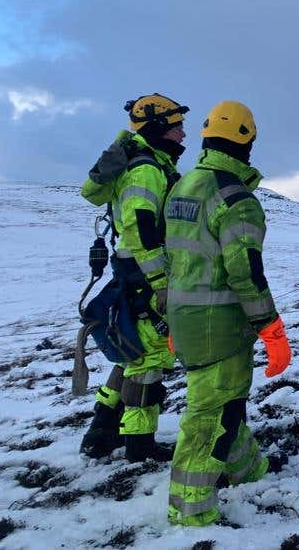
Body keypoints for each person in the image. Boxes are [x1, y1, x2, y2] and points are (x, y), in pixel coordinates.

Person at [164, 100, 291, 526]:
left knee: (225, 404)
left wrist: (169, 318)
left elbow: (171, 262)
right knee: (211, 416)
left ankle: (248, 471)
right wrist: (271, 330)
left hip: (184, 320)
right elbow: (246, 276)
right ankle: (191, 512)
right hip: (219, 328)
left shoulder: (182, 188)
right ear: (247, 139)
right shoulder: (238, 200)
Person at [79, 94, 189, 462]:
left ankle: (101, 431)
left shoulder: (146, 164)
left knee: (132, 356)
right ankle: (139, 444)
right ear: (158, 129)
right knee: (150, 360)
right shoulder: (147, 170)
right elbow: (142, 232)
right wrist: (162, 284)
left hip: (132, 273)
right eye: (176, 128)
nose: (183, 135)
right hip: (145, 275)